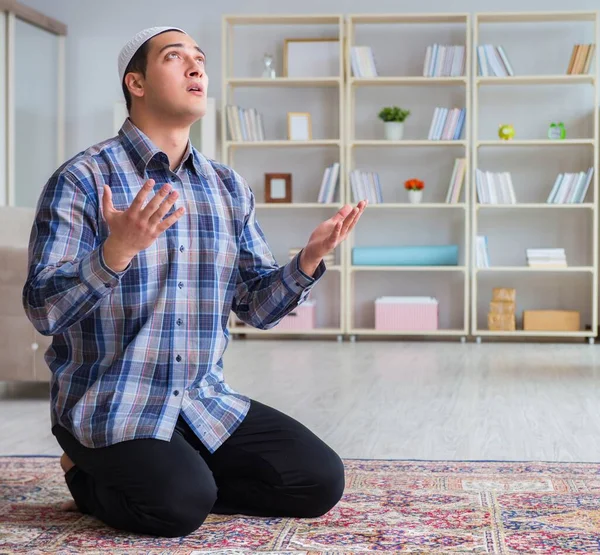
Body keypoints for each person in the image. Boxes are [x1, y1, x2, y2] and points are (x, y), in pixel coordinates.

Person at [22, 26, 367, 538]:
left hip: (203, 398)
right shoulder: (82, 178)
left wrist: (307, 261)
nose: (196, 67)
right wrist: (115, 252)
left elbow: (256, 308)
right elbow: (43, 309)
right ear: (135, 83)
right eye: (174, 57)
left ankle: (185, 478)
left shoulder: (227, 187)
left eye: (199, 58)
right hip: (111, 402)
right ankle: (85, 474)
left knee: (319, 482)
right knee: (177, 509)